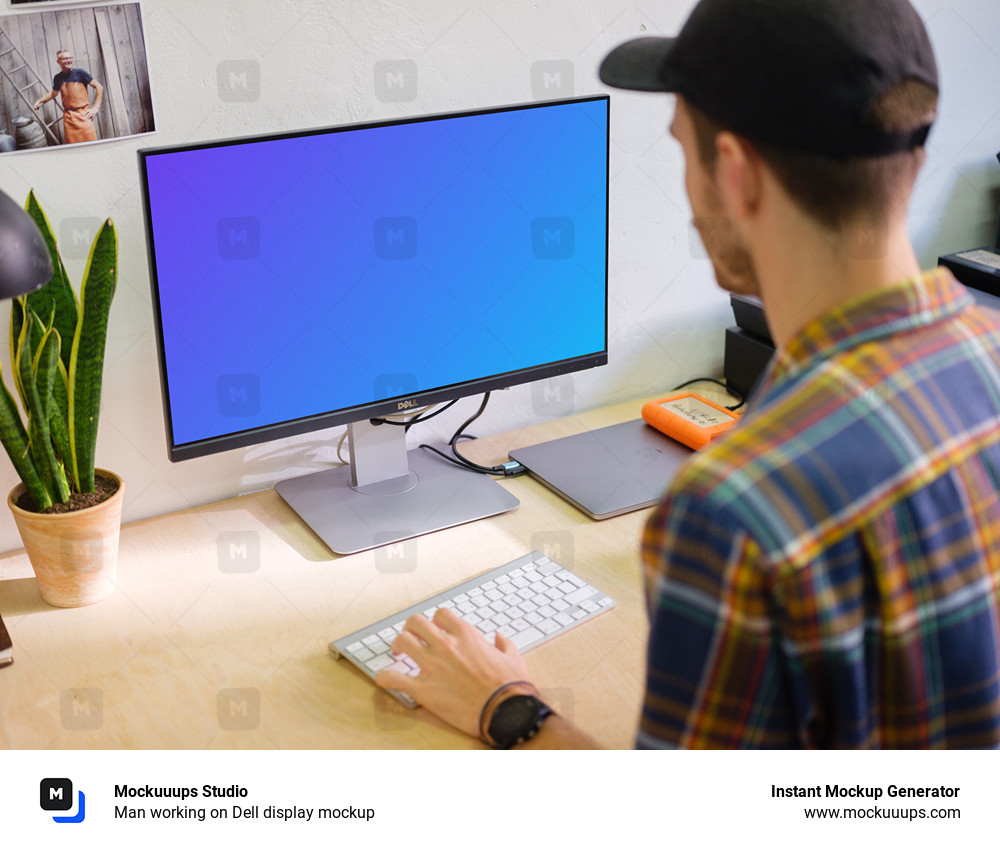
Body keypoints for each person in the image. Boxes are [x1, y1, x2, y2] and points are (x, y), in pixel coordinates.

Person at [376, 0, 1000, 749]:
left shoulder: (735, 512)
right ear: (910, 158)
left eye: (682, 148)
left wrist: (507, 707)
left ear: (735, 175)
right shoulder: (986, 353)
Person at [33, 49, 103, 144]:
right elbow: (53, 94)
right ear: (58, 61)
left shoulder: (80, 73)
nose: (69, 60)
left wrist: (96, 107)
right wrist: (39, 101)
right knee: (73, 150)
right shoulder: (58, 78)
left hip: (84, 116)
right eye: (65, 58)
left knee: (91, 147)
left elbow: (99, 87)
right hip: (69, 119)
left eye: (70, 58)